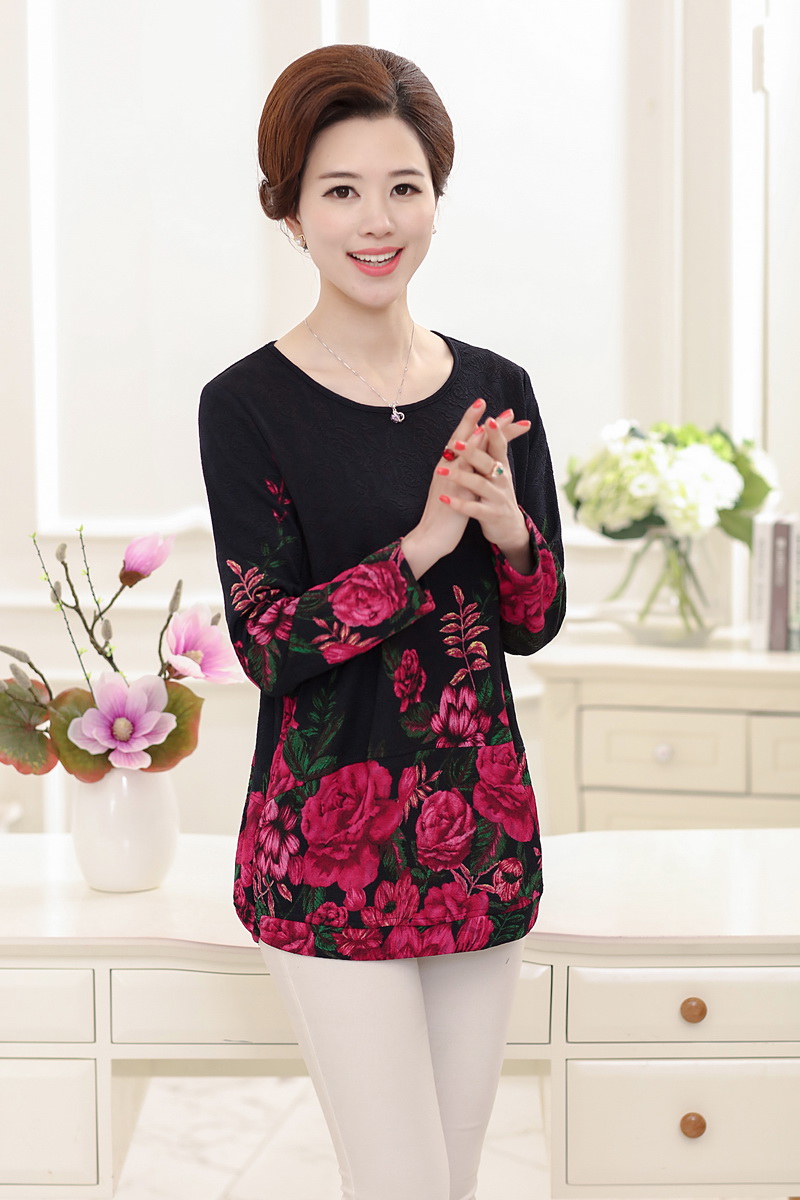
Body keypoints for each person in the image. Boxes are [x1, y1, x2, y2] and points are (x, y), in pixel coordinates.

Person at [199, 42, 566, 1200]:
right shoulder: (246, 406)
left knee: (445, 1183)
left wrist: (507, 533)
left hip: (479, 842)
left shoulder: (496, 389)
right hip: (326, 857)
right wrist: (421, 544)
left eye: (403, 187)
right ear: (291, 211)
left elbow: (534, 621)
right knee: (402, 1182)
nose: (376, 220)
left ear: (435, 201)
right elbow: (268, 644)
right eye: (341, 190)